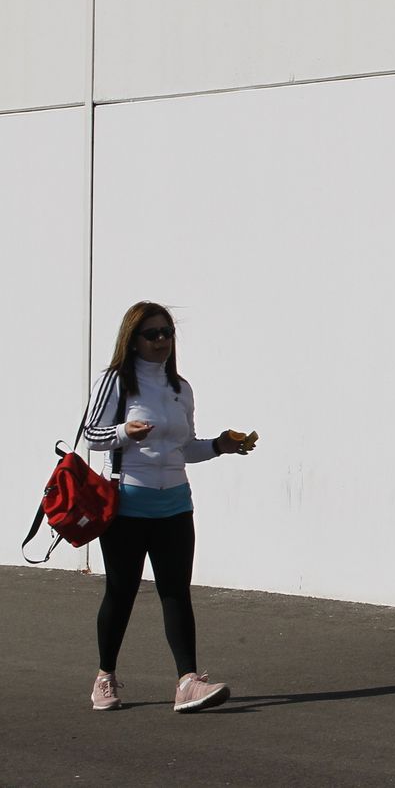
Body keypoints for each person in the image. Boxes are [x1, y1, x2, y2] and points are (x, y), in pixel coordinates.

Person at [83, 301, 252, 713]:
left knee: (175, 592)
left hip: (176, 503)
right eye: (152, 334)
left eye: (167, 333)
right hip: (127, 502)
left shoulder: (180, 387)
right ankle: (105, 677)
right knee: (121, 592)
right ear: (133, 340)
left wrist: (219, 446)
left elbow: (185, 447)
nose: (161, 341)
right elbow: (91, 433)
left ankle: (188, 682)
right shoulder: (117, 382)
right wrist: (125, 431)